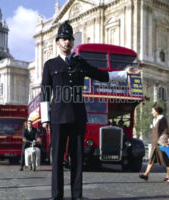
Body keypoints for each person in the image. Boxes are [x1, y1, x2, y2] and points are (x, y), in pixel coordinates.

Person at [40, 20, 141, 200]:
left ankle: (77, 196)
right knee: (56, 159)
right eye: (63, 38)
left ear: (72, 42)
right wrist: (45, 119)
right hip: (58, 117)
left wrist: (125, 72)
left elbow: (102, 75)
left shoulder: (80, 62)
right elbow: (45, 93)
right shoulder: (50, 65)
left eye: (69, 38)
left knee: (77, 159)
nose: (66, 42)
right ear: (57, 42)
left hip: (78, 117)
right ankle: (56, 196)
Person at [139, 103, 169, 182]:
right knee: (151, 159)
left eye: (153, 110)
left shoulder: (162, 119)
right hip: (154, 143)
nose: (152, 112)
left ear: (157, 111)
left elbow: (165, 131)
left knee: (165, 159)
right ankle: (146, 174)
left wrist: (163, 141)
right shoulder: (154, 119)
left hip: (161, 143)